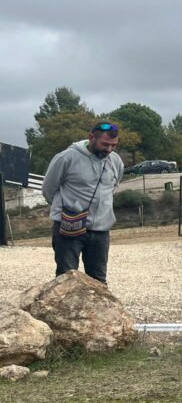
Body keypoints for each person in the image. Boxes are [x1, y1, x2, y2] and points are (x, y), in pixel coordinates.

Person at [41, 121, 125, 285]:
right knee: (66, 280)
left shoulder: (115, 161)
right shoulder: (66, 158)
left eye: (113, 145)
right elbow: (48, 189)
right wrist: (66, 209)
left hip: (100, 230)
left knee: (98, 282)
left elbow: (113, 186)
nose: (109, 149)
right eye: (105, 144)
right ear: (91, 137)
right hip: (68, 226)